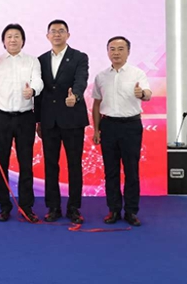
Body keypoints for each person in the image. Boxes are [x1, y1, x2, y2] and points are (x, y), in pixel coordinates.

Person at [0, 23, 43, 223]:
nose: (13, 39)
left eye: (17, 36)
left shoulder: (32, 61)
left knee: (26, 163)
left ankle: (26, 207)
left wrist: (32, 90)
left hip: (25, 117)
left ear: (23, 40)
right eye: (9, 36)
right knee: (1, 163)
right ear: (3, 41)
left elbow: (38, 81)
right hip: (0, 117)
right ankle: (4, 206)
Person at [92, 36, 151, 227]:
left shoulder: (137, 73)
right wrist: (96, 129)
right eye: (112, 49)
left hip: (131, 126)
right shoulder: (101, 76)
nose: (116, 53)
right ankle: (114, 209)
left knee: (131, 171)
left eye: (120, 49)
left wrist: (142, 94)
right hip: (108, 126)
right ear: (107, 51)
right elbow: (96, 104)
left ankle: (131, 211)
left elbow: (147, 94)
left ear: (128, 52)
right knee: (111, 171)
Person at [34, 19, 89, 224]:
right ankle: (53, 207)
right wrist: (38, 120)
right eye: (53, 31)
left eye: (61, 31)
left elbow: (81, 80)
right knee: (50, 165)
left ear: (68, 35)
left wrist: (76, 95)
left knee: (74, 165)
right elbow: (39, 93)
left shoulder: (79, 57)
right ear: (47, 36)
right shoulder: (40, 60)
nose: (57, 34)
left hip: (72, 119)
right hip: (49, 121)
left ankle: (74, 208)